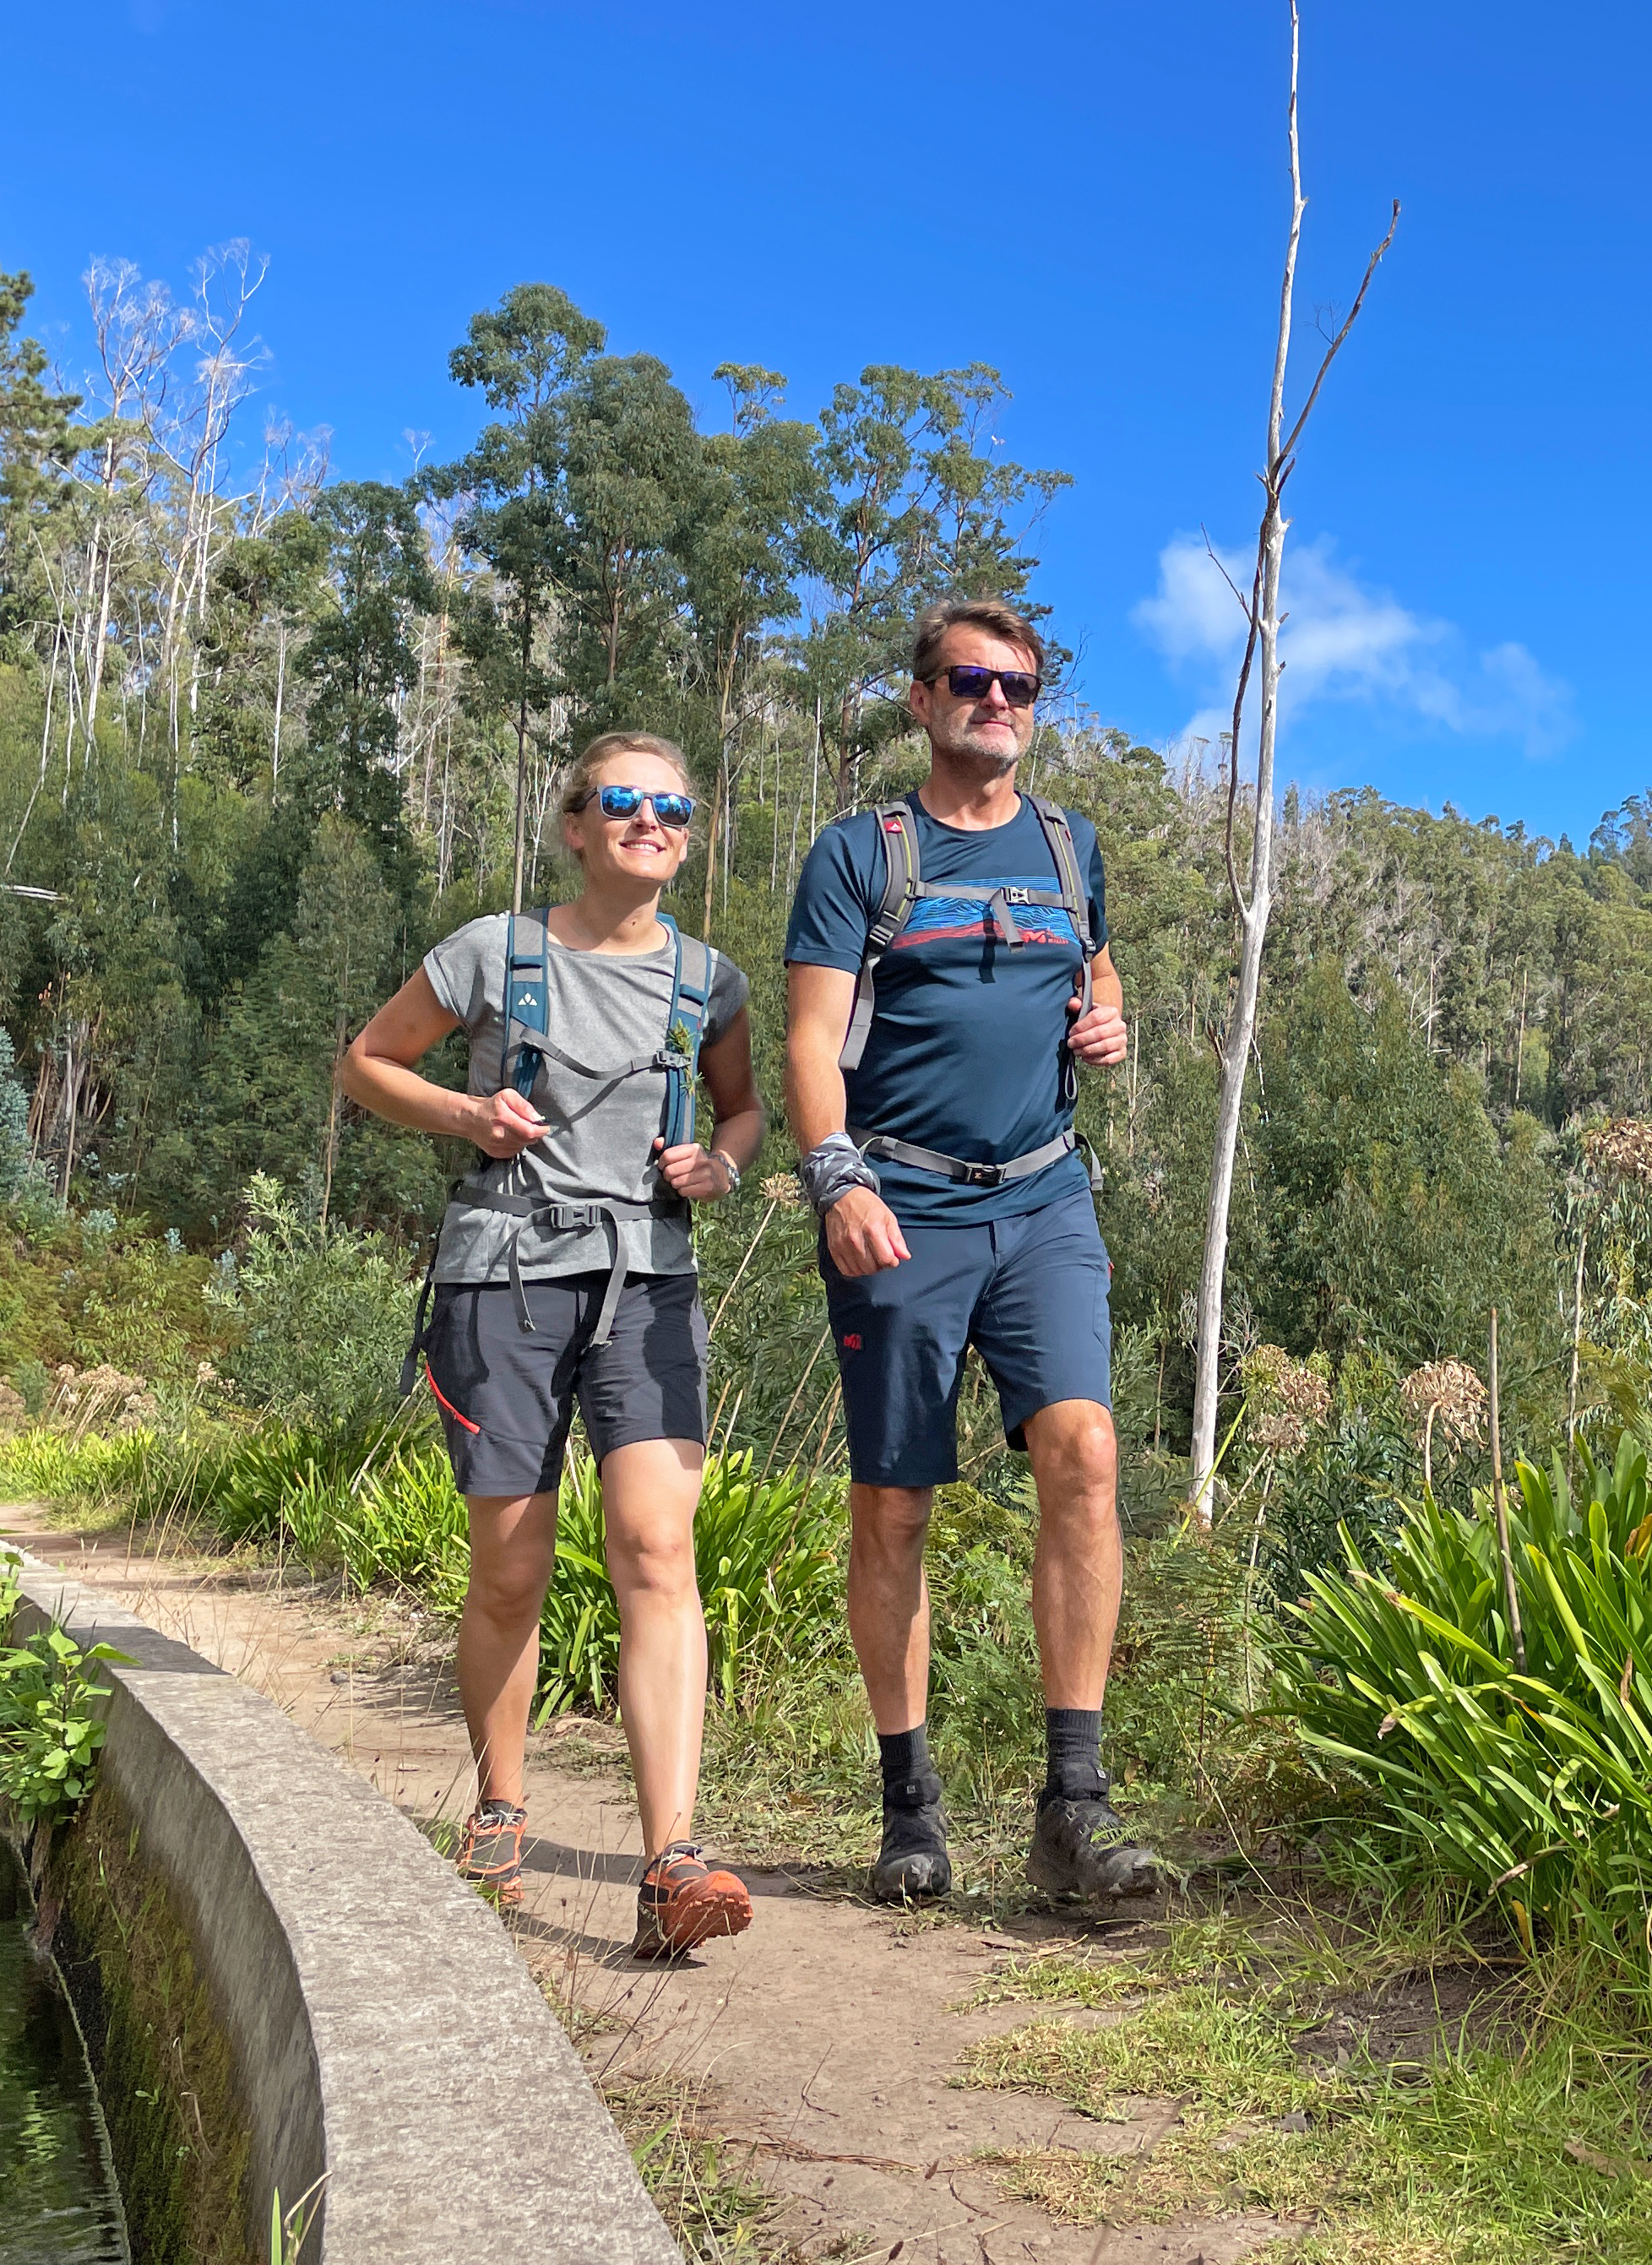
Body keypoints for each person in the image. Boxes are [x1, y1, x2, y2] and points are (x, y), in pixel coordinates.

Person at [336, 731, 765, 1959]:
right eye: (622, 802)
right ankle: (500, 1810)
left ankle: (671, 1860)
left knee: (655, 1546)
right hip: (505, 1280)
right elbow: (365, 1063)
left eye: (672, 809)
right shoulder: (493, 952)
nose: (649, 822)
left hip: (650, 1283)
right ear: (574, 825)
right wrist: (466, 1111)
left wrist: (720, 1165)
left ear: (689, 836)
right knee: (511, 1571)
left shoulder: (710, 983)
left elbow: (741, 1113)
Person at [781, 600, 1156, 1905]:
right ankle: (910, 1806)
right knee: (895, 1502)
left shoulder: (1071, 846)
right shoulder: (860, 856)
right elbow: (809, 1041)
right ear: (922, 699)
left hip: (1047, 1199)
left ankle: (1075, 1806)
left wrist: (1107, 1023)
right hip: (904, 1205)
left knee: (1087, 1451)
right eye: (971, 682)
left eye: (1020, 687)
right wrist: (837, 1182)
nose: (998, 703)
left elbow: (1093, 977)